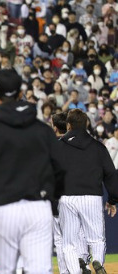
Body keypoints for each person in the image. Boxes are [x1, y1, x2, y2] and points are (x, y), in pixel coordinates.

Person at [0, 69, 65, 273]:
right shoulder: (43, 129)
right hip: (38, 208)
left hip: (3, 207)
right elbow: (60, 169)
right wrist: (50, 202)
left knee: (5, 270)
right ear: (20, 94)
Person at [57, 109, 118, 273]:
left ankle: (76, 270)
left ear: (68, 125)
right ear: (86, 124)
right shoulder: (98, 147)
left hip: (66, 197)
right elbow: (111, 174)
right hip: (92, 197)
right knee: (97, 238)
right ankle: (98, 262)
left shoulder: (58, 146)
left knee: (69, 243)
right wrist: (112, 199)